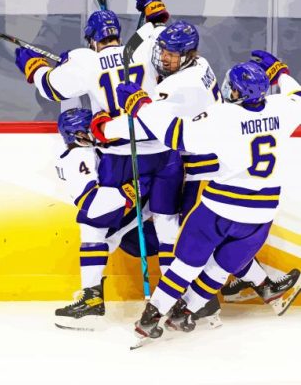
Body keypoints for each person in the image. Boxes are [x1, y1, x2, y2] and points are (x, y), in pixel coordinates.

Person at [108, 52, 301, 342]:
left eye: (231, 87)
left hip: (220, 209)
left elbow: (176, 136)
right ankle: (186, 312)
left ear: (237, 91)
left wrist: (140, 105)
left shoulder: (223, 117)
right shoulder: (282, 110)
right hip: (261, 217)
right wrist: (281, 72)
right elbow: (296, 93)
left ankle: (150, 318)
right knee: (220, 269)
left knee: (185, 265)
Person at [15, 0, 185, 280]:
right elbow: (165, 40)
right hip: (164, 150)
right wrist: (155, 14)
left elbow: (50, 88)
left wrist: (34, 67)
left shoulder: (85, 60)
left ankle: (92, 295)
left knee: (95, 225)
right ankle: (174, 299)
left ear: (91, 40)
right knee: (167, 225)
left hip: (120, 155)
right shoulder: (142, 45)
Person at [54, 108, 158, 330]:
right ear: (76, 135)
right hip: (129, 209)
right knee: (92, 227)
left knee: (98, 233)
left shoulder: (88, 152)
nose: (95, 133)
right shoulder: (78, 157)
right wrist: (130, 192)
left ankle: (91, 295)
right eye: (87, 130)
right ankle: (91, 296)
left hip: (131, 210)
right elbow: (92, 204)